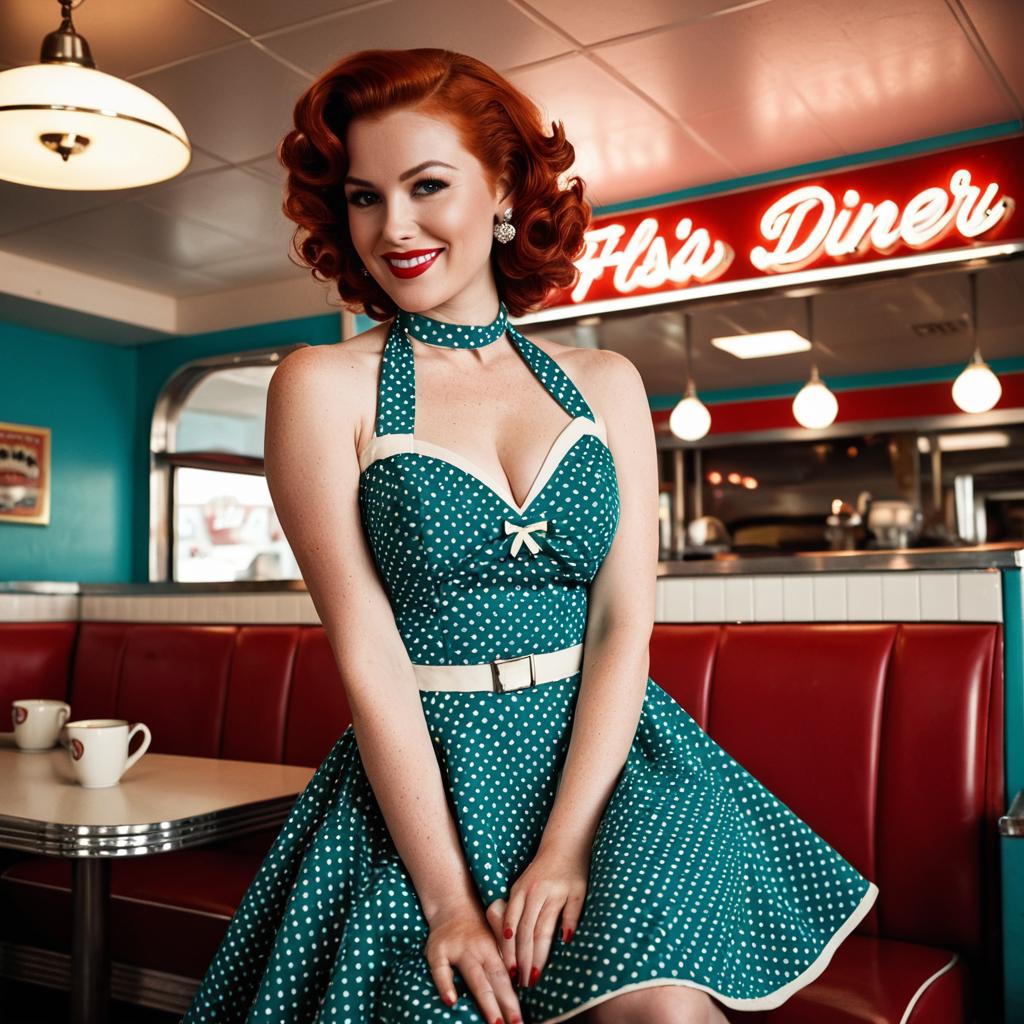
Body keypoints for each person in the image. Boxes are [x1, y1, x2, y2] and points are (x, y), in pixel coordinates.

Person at [180, 48, 878, 1024]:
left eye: (428, 185)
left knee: (662, 1010)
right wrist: (447, 899)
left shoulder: (606, 384)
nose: (396, 227)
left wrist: (566, 846)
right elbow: (367, 649)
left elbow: (620, 624)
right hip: (433, 775)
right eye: (365, 197)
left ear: (504, 187)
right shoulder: (319, 383)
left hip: (615, 765)